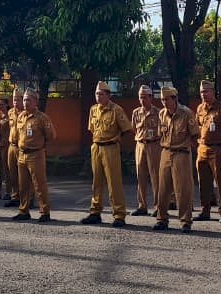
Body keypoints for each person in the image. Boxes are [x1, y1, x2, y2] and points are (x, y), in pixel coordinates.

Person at [82, 82, 134, 226]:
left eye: (101, 94)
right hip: (96, 146)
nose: (98, 96)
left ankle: (119, 214)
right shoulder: (93, 110)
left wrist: (117, 137)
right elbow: (92, 129)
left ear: (108, 95)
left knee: (114, 182)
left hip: (111, 147)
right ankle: (95, 212)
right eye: (97, 94)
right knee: (96, 182)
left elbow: (127, 128)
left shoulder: (116, 110)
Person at [155, 85, 198, 233]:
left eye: (167, 99)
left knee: (183, 189)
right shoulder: (161, 114)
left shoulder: (186, 113)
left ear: (174, 99)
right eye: (162, 100)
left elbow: (194, 135)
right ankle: (161, 219)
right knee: (163, 188)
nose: (164, 102)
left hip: (181, 153)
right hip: (166, 152)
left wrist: (187, 149)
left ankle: (186, 220)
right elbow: (161, 133)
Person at [195, 80, 221, 223]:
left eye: (206, 91)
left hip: (218, 149)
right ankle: (205, 210)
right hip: (203, 149)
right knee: (204, 182)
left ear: (213, 92)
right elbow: (198, 126)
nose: (203, 94)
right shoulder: (200, 108)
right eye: (201, 92)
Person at [12, 88, 54, 222]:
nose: (25, 103)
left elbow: (51, 135)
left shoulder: (42, 118)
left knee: (39, 184)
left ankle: (45, 212)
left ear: (35, 102)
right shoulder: (21, 116)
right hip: (22, 154)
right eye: (24, 100)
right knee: (23, 185)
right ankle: (24, 210)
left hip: (36, 154)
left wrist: (39, 145)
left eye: (28, 100)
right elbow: (18, 136)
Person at [131, 85, 161, 217]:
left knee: (156, 177)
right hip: (140, 144)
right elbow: (133, 129)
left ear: (151, 97)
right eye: (140, 97)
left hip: (154, 145)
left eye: (145, 97)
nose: (142, 100)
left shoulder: (158, 112)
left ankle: (158, 206)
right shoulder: (136, 112)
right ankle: (142, 206)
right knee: (141, 177)